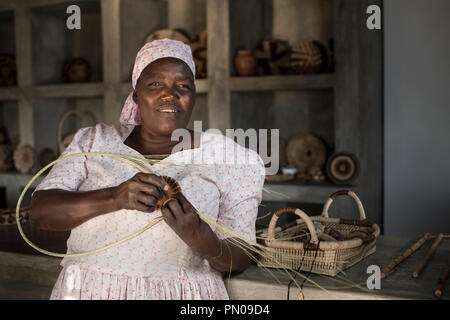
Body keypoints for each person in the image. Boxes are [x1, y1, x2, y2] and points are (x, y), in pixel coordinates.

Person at [30, 39, 265, 300]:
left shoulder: (230, 158)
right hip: (88, 291)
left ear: (193, 96)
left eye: (183, 86)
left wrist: (200, 236)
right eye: (155, 83)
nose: (170, 94)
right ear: (136, 94)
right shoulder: (94, 142)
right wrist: (114, 198)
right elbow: (41, 212)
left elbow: (241, 257)